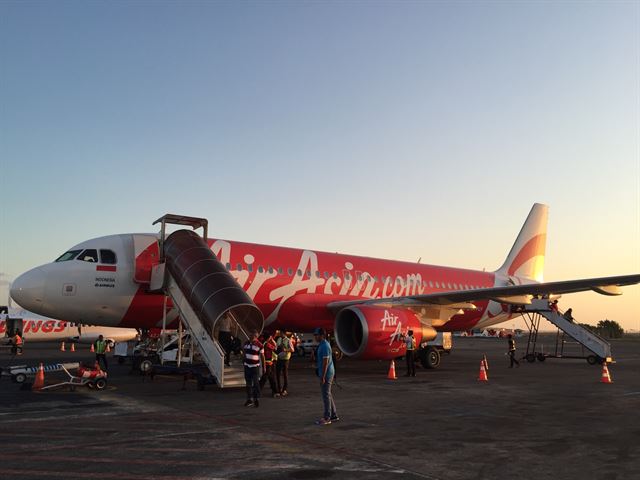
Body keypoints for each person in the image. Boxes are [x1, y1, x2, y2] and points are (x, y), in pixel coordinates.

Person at [314, 327, 338, 425]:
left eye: (317, 335)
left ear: (322, 335)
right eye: (315, 335)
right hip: (326, 372)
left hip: (327, 373)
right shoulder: (322, 345)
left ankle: (327, 417)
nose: (315, 337)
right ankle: (333, 415)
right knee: (328, 393)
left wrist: (323, 376)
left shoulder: (324, 346)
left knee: (326, 395)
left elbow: (325, 362)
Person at [242, 330, 264, 407]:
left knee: (256, 383)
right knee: (248, 384)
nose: (250, 337)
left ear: (256, 336)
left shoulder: (260, 345)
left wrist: (264, 367)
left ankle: (256, 398)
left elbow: (262, 356)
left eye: (252, 336)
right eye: (250, 335)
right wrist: (244, 360)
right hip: (247, 366)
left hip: (255, 367)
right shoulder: (246, 343)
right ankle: (249, 399)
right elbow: (244, 352)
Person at [259, 331, 279, 397]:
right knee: (265, 378)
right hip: (268, 363)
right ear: (269, 337)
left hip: (267, 362)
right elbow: (276, 348)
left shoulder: (263, 343)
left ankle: (275, 391)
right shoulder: (267, 344)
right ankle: (257, 391)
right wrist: (273, 340)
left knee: (271, 378)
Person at [276, 330, 293, 396]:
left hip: (285, 359)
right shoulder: (279, 339)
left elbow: (292, 349)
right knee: (277, 374)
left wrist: (285, 349)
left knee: (285, 374)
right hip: (279, 358)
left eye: (280, 333)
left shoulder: (288, 340)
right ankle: (279, 388)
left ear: (283, 333)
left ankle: (284, 389)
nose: (279, 334)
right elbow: (277, 347)